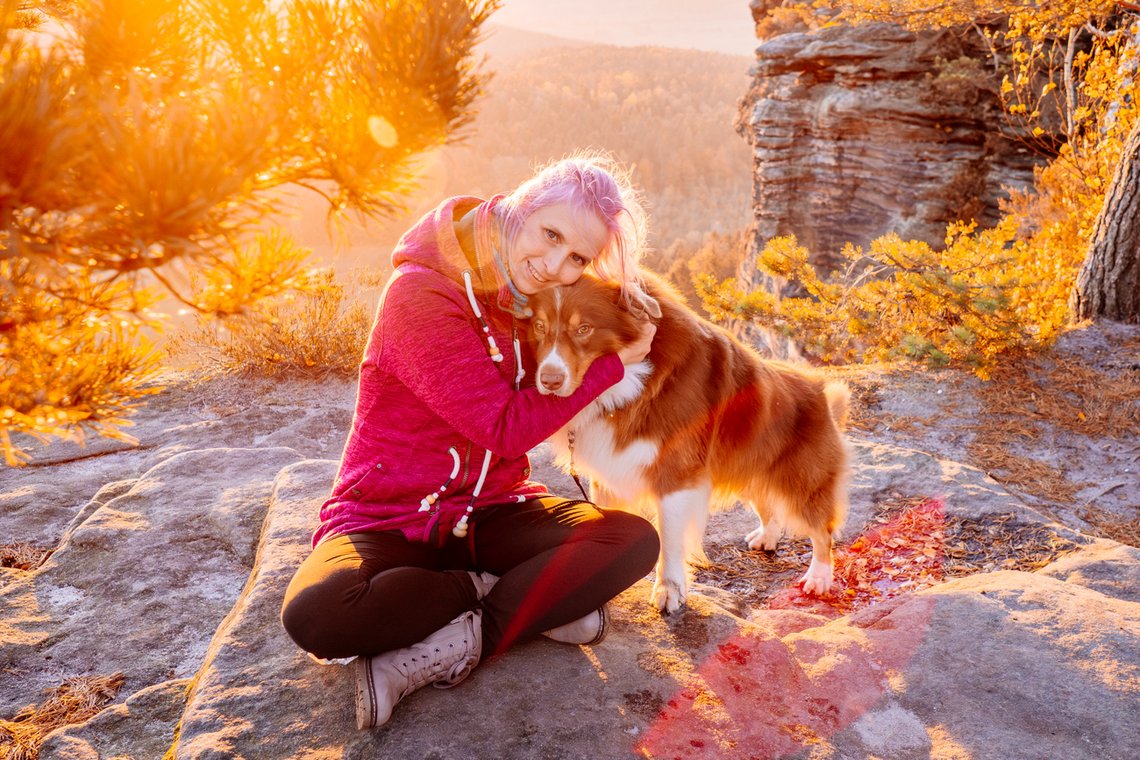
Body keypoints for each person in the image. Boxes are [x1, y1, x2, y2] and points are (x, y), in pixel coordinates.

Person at [280, 152, 661, 730]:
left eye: (577, 256)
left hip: (494, 510)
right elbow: (502, 426)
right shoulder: (421, 295)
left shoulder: (532, 297)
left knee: (629, 539)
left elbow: (585, 330)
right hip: (387, 518)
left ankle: (461, 636)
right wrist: (613, 368)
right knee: (317, 616)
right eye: (550, 234)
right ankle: (513, 600)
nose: (556, 263)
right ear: (518, 208)